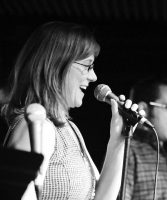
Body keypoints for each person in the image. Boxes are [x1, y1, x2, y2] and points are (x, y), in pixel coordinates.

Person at [1, 21, 142, 200]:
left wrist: (118, 140)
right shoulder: (36, 126)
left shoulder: (70, 130)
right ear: (58, 65)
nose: (94, 77)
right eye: (88, 66)